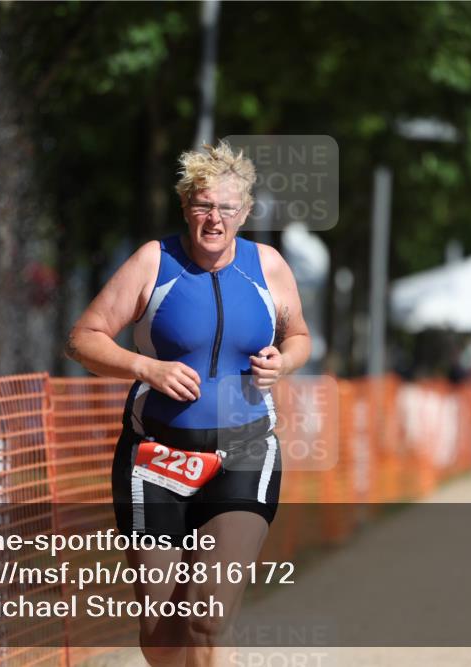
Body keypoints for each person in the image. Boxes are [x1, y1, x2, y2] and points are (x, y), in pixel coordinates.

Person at [66, 140, 311, 666]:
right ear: (186, 207)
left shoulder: (267, 267)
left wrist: (283, 362)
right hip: (155, 458)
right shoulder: (155, 262)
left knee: (207, 614)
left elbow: (300, 338)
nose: (215, 218)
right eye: (204, 205)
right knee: (161, 632)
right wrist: (145, 367)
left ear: (244, 213)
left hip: (242, 454)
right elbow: (83, 337)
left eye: (226, 207)